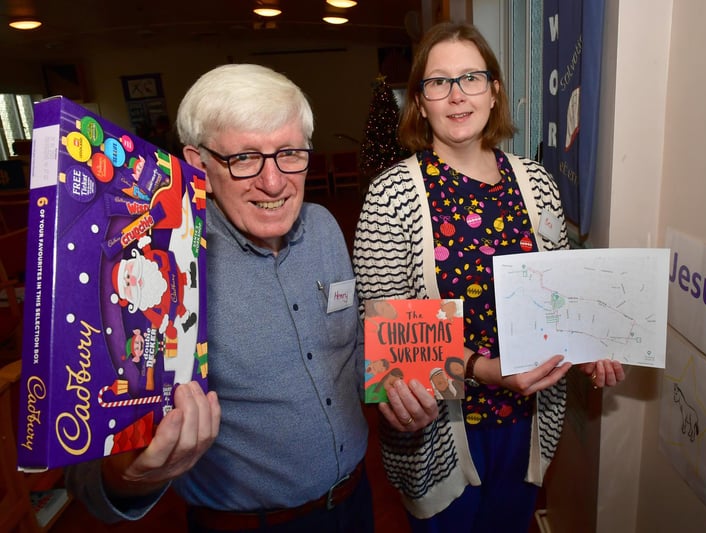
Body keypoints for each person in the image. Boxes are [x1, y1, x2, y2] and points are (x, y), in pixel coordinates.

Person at [67, 63, 437, 533]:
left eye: (289, 153)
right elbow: (86, 470)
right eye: (243, 158)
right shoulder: (156, 263)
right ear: (198, 164)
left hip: (355, 503)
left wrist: (402, 392)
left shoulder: (324, 226)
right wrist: (132, 476)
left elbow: (348, 350)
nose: (274, 182)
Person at [352, 22, 626, 532]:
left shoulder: (536, 181)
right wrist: (484, 370)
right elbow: (389, 344)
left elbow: (559, 295)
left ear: (494, 90)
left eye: (471, 78)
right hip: (440, 433)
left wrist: (590, 344)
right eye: (438, 82)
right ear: (420, 100)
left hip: (527, 423)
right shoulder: (392, 196)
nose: (456, 96)